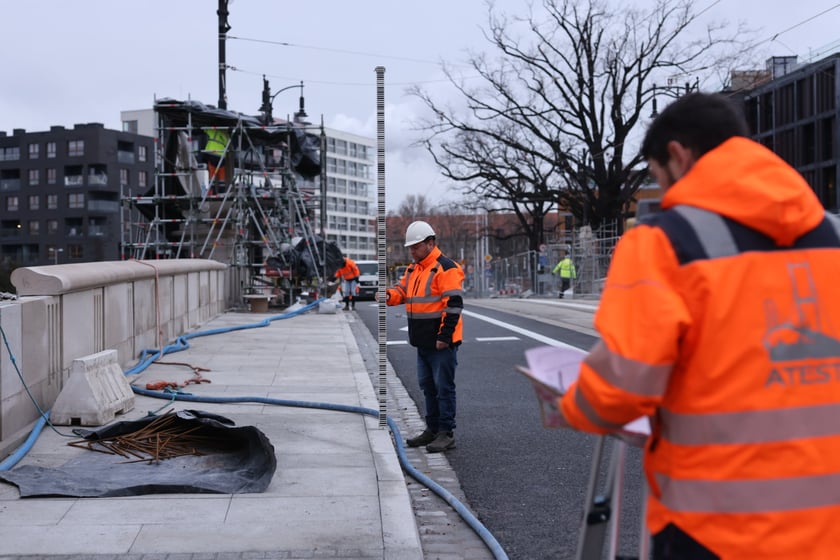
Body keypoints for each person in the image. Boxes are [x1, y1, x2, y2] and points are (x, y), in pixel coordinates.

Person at [557, 92, 840, 559]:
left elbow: (621, 388)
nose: (664, 193)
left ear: (678, 154)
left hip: (717, 528)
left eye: (657, 177)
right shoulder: (831, 234)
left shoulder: (666, 242)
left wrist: (571, 403)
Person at [382, 220, 464, 453]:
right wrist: (386, 296)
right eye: (411, 247)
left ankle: (445, 433)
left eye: (415, 247)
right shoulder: (414, 269)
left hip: (441, 342)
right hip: (423, 341)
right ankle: (432, 429)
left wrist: (444, 336)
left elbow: (454, 305)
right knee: (428, 386)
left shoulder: (446, 268)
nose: (412, 251)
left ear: (430, 243)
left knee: (443, 387)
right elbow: (401, 292)